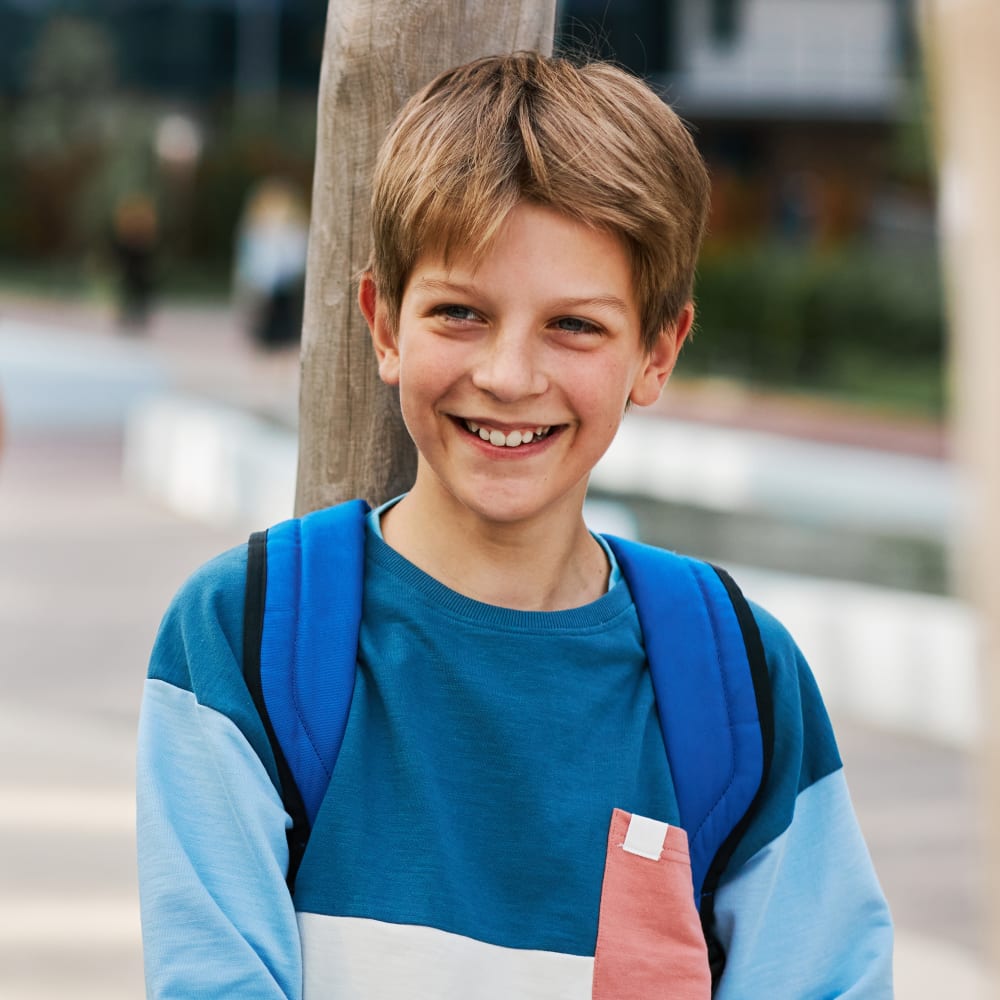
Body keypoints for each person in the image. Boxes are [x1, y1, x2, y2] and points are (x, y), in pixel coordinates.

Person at [137, 53, 893, 998]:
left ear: (657, 353)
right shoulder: (243, 641)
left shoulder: (738, 683)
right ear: (384, 324)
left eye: (574, 326)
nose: (508, 375)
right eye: (460, 312)